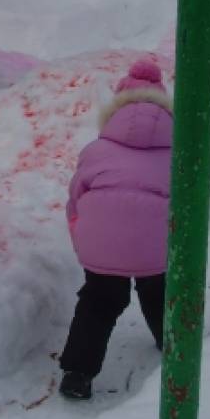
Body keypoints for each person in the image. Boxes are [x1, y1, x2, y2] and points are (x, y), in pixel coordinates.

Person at [58, 58, 173, 401]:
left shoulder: (96, 151)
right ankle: (170, 339)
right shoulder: (178, 154)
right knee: (158, 289)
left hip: (101, 242)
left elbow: (75, 198)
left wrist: (81, 230)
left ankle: (77, 374)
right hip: (156, 245)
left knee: (100, 300)